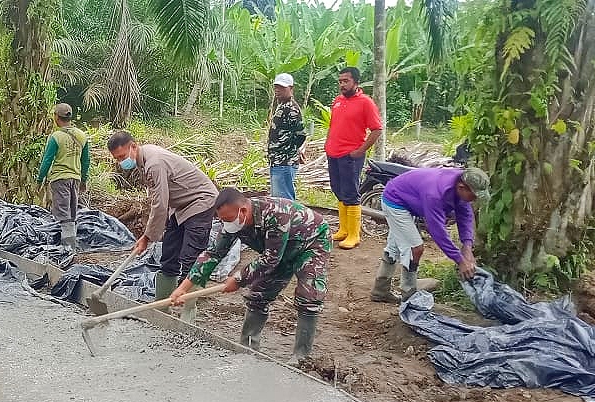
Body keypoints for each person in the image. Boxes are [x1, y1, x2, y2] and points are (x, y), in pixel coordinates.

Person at [171, 188, 331, 365]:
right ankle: (247, 348)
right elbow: (213, 254)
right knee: (258, 295)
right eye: (222, 220)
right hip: (277, 252)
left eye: (227, 219)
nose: (226, 224)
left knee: (308, 297)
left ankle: (301, 357)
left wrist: (238, 279)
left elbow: (270, 259)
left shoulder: (275, 214)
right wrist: (183, 288)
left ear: (243, 211)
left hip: (311, 243)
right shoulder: (233, 223)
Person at [107, 130, 218, 323]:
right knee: (169, 254)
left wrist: (148, 237)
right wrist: (149, 236)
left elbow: (159, 204)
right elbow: (161, 201)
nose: (121, 162)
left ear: (133, 146)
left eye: (122, 156)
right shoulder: (143, 161)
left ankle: (188, 313)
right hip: (180, 206)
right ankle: (162, 309)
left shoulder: (154, 163)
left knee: (190, 256)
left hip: (200, 201)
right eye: (117, 159)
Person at [371, 167, 489, 303]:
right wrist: (460, 260)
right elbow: (437, 231)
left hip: (409, 201)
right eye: (473, 196)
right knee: (415, 249)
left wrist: (467, 247)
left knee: (394, 247)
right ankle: (409, 296)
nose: (474, 200)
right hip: (395, 201)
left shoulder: (460, 183)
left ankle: (380, 291)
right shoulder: (435, 194)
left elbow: (465, 215)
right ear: (462, 187)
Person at [325, 67, 383, 250]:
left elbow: (376, 129)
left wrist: (361, 150)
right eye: (340, 81)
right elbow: (333, 125)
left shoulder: (366, 102)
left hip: (350, 155)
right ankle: (343, 229)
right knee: (338, 190)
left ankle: (354, 234)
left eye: (346, 81)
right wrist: (328, 144)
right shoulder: (338, 101)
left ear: (355, 82)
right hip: (333, 153)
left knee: (351, 193)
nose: (342, 84)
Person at [37, 103, 90, 250]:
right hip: (75, 179)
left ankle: (68, 248)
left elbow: (47, 160)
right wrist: (84, 179)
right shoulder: (82, 135)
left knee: (64, 215)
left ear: (56, 117)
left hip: (60, 179)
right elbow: (85, 161)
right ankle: (71, 246)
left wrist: (39, 180)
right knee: (72, 214)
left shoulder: (56, 137)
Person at [268, 73, 307, 201]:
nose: (278, 90)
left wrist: (289, 149)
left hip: (284, 162)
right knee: (278, 201)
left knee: (284, 202)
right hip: (277, 161)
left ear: (291, 88)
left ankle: (292, 221)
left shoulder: (292, 109)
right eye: (276, 87)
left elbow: (301, 135)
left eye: (282, 87)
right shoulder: (282, 106)